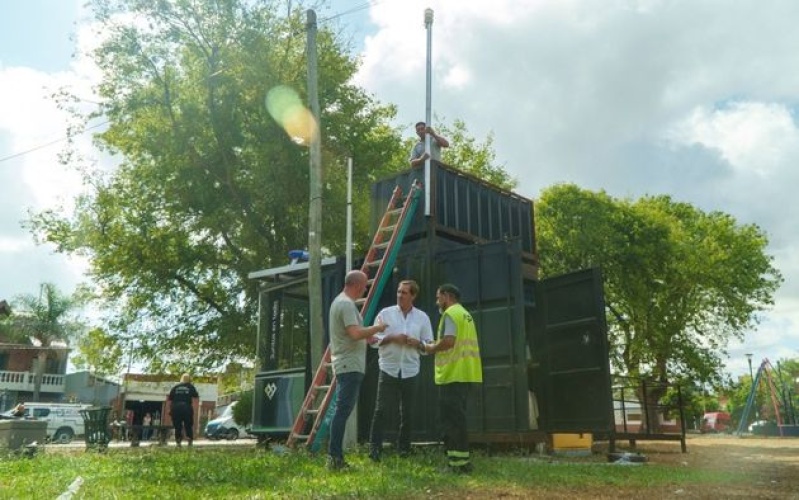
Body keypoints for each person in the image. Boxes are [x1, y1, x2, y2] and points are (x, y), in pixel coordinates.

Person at [327, 270, 390, 471]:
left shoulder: (340, 302)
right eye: (364, 286)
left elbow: (352, 333)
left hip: (346, 364)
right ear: (356, 285)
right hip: (349, 365)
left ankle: (335, 457)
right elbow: (354, 334)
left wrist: (367, 337)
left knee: (342, 411)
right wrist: (377, 328)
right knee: (342, 411)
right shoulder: (346, 304)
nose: (365, 289)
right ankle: (335, 458)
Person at [368, 280, 433, 462]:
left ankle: (404, 449)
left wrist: (418, 343)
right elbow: (372, 340)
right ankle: (375, 449)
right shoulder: (385, 314)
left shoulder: (422, 317)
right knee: (380, 410)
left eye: (404, 293)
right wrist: (392, 338)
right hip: (388, 368)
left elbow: (430, 344)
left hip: (410, 369)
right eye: (398, 291)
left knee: (408, 412)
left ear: (413, 296)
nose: (399, 295)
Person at [421, 283, 483, 474]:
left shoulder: (450, 314)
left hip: (452, 375)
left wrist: (430, 348)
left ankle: (456, 464)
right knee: (459, 420)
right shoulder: (465, 314)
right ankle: (463, 461)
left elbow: (448, 341)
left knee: (451, 422)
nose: (437, 301)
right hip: (466, 374)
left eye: (438, 297)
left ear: (447, 296)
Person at [167, 373, 199, 447]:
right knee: (188, 425)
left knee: (177, 426)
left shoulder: (176, 387)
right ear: (189, 379)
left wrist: (170, 409)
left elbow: (170, 398)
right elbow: (196, 395)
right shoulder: (190, 386)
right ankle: (189, 441)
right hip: (186, 408)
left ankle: (178, 442)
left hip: (176, 408)